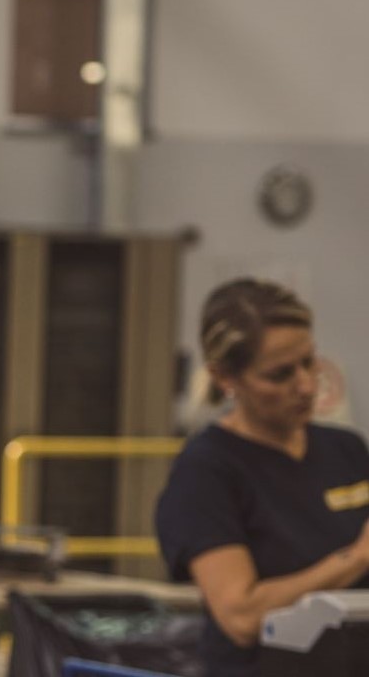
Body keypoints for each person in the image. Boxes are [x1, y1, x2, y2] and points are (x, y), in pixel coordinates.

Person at [155, 279, 369, 676]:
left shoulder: (347, 450)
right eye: (279, 374)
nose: (305, 385)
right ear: (225, 378)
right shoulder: (207, 472)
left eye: (309, 361)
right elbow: (242, 618)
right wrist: (354, 558)